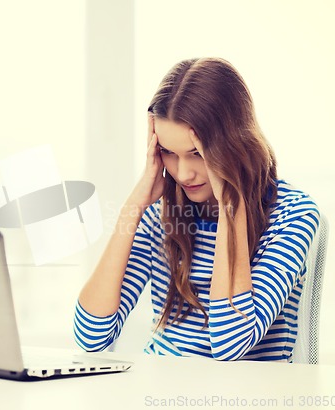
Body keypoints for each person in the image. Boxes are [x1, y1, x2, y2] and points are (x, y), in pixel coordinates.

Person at [73, 57, 320, 361]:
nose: (184, 173)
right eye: (168, 153)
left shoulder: (293, 214)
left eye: (197, 154)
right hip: (160, 390)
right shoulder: (160, 216)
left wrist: (230, 204)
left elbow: (230, 345)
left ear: (234, 144)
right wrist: (133, 207)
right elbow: (90, 336)